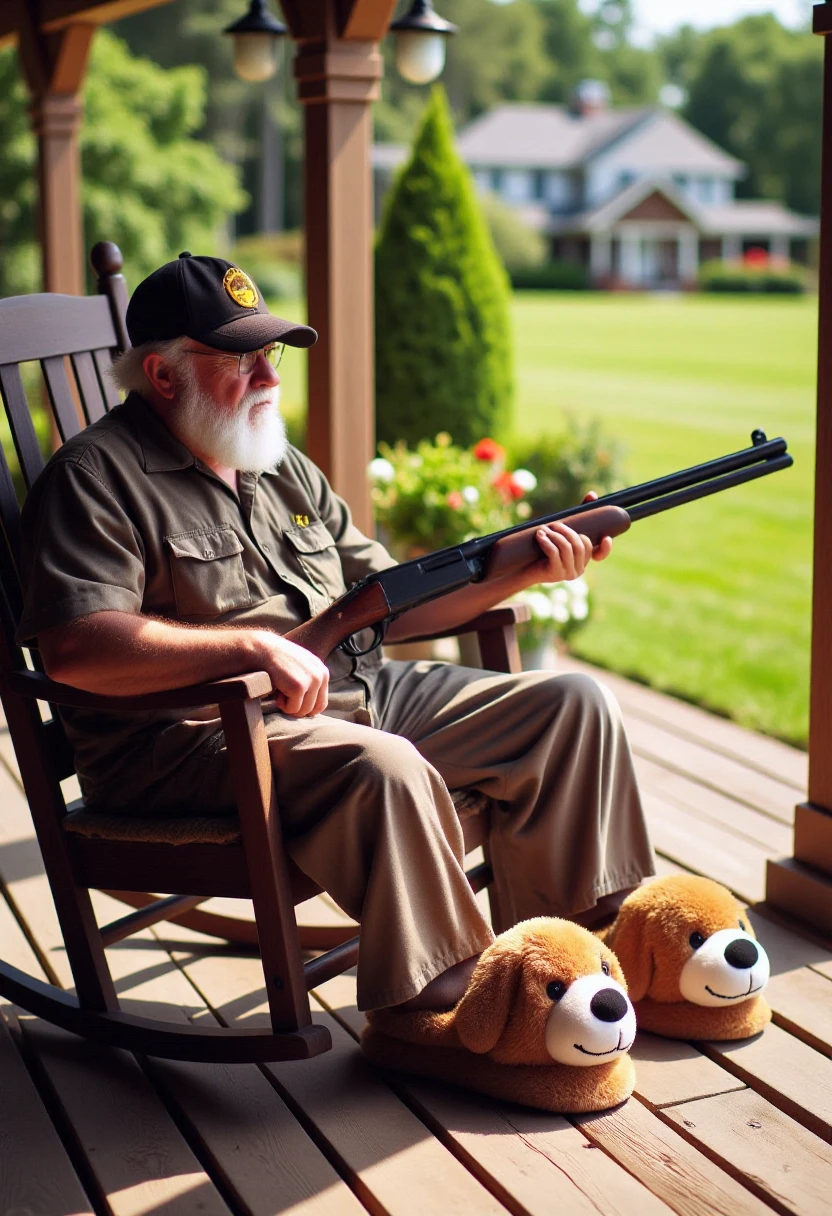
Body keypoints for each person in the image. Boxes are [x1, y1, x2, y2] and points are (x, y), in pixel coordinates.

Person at [16, 253, 655, 1014]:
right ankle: (450, 1007)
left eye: (271, 354)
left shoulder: (274, 462)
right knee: (389, 769)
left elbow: (394, 603)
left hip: (343, 698)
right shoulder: (93, 477)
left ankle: (572, 961)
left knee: (573, 707)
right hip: (188, 738)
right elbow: (76, 647)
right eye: (242, 359)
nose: (270, 378)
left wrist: (526, 568)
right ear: (162, 375)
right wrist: (252, 646)